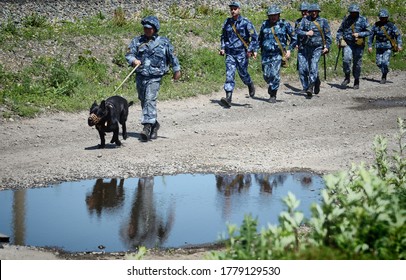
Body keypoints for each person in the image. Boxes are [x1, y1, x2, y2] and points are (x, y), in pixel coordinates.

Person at [125, 16, 181, 142]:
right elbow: (129, 54)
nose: (147, 30)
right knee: (143, 99)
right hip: (141, 75)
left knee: (150, 99)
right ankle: (155, 125)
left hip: (155, 76)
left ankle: (147, 127)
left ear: (155, 29)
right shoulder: (137, 41)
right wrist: (133, 60)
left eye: (149, 28)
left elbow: (173, 56)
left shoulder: (164, 42)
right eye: (145, 28)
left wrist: (176, 69)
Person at [219, 1, 259, 108]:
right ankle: (228, 98)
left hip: (242, 53)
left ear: (239, 9)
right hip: (230, 53)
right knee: (229, 74)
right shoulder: (227, 22)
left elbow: (254, 38)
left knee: (243, 74)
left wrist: (250, 50)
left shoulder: (246, 22)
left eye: (235, 9)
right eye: (231, 9)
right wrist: (222, 48)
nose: (233, 11)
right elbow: (223, 36)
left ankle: (249, 84)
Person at [258, 4, 296, 103]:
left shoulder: (284, 24)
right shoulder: (264, 24)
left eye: (275, 15)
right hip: (266, 54)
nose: (273, 17)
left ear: (278, 15)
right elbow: (260, 39)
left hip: (277, 54)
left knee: (275, 74)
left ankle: (273, 94)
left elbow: (294, 38)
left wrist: (289, 50)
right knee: (266, 75)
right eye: (271, 15)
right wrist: (254, 50)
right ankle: (271, 86)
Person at [296, 3, 331, 98]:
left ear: (318, 12)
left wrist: (327, 47)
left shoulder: (323, 21)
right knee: (305, 68)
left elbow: (328, 36)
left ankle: (311, 86)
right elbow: (297, 31)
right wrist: (306, 33)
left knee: (314, 65)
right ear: (310, 12)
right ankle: (314, 82)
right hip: (306, 48)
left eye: (316, 11)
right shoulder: (304, 20)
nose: (314, 13)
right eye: (312, 11)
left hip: (318, 48)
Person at [336, 4, 370, 90]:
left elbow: (369, 32)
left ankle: (356, 80)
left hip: (358, 45)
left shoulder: (363, 20)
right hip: (348, 44)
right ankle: (347, 77)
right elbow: (340, 31)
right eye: (352, 12)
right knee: (346, 60)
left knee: (357, 63)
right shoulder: (346, 19)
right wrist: (339, 39)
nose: (353, 14)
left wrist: (359, 34)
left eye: (355, 12)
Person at [368, 9, 403, 84]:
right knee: (378, 63)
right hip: (379, 46)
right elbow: (371, 36)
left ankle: (384, 76)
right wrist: (370, 46)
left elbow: (398, 35)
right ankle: (385, 70)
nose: (382, 19)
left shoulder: (391, 25)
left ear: (387, 17)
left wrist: (399, 45)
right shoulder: (376, 25)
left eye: (384, 17)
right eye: (381, 17)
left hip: (388, 47)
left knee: (385, 62)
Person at [294, 2, 309, 93]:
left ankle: (314, 82)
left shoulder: (313, 21)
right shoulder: (298, 22)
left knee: (310, 68)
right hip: (301, 48)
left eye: (306, 11)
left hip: (312, 48)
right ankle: (305, 87)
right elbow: (295, 34)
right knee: (301, 68)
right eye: (302, 11)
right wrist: (295, 43)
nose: (304, 13)